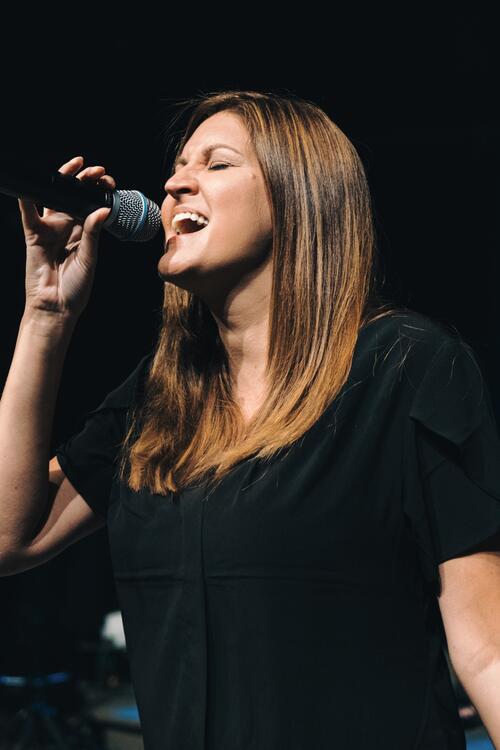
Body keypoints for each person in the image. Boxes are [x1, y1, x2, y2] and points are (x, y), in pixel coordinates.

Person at [1, 89, 500, 750]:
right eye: (177, 167)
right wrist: (46, 318)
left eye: (216, 164)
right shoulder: (160, 396)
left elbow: (486, 648)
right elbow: (10, 537)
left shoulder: (404, 367)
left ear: (300, 197)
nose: (175, 184)